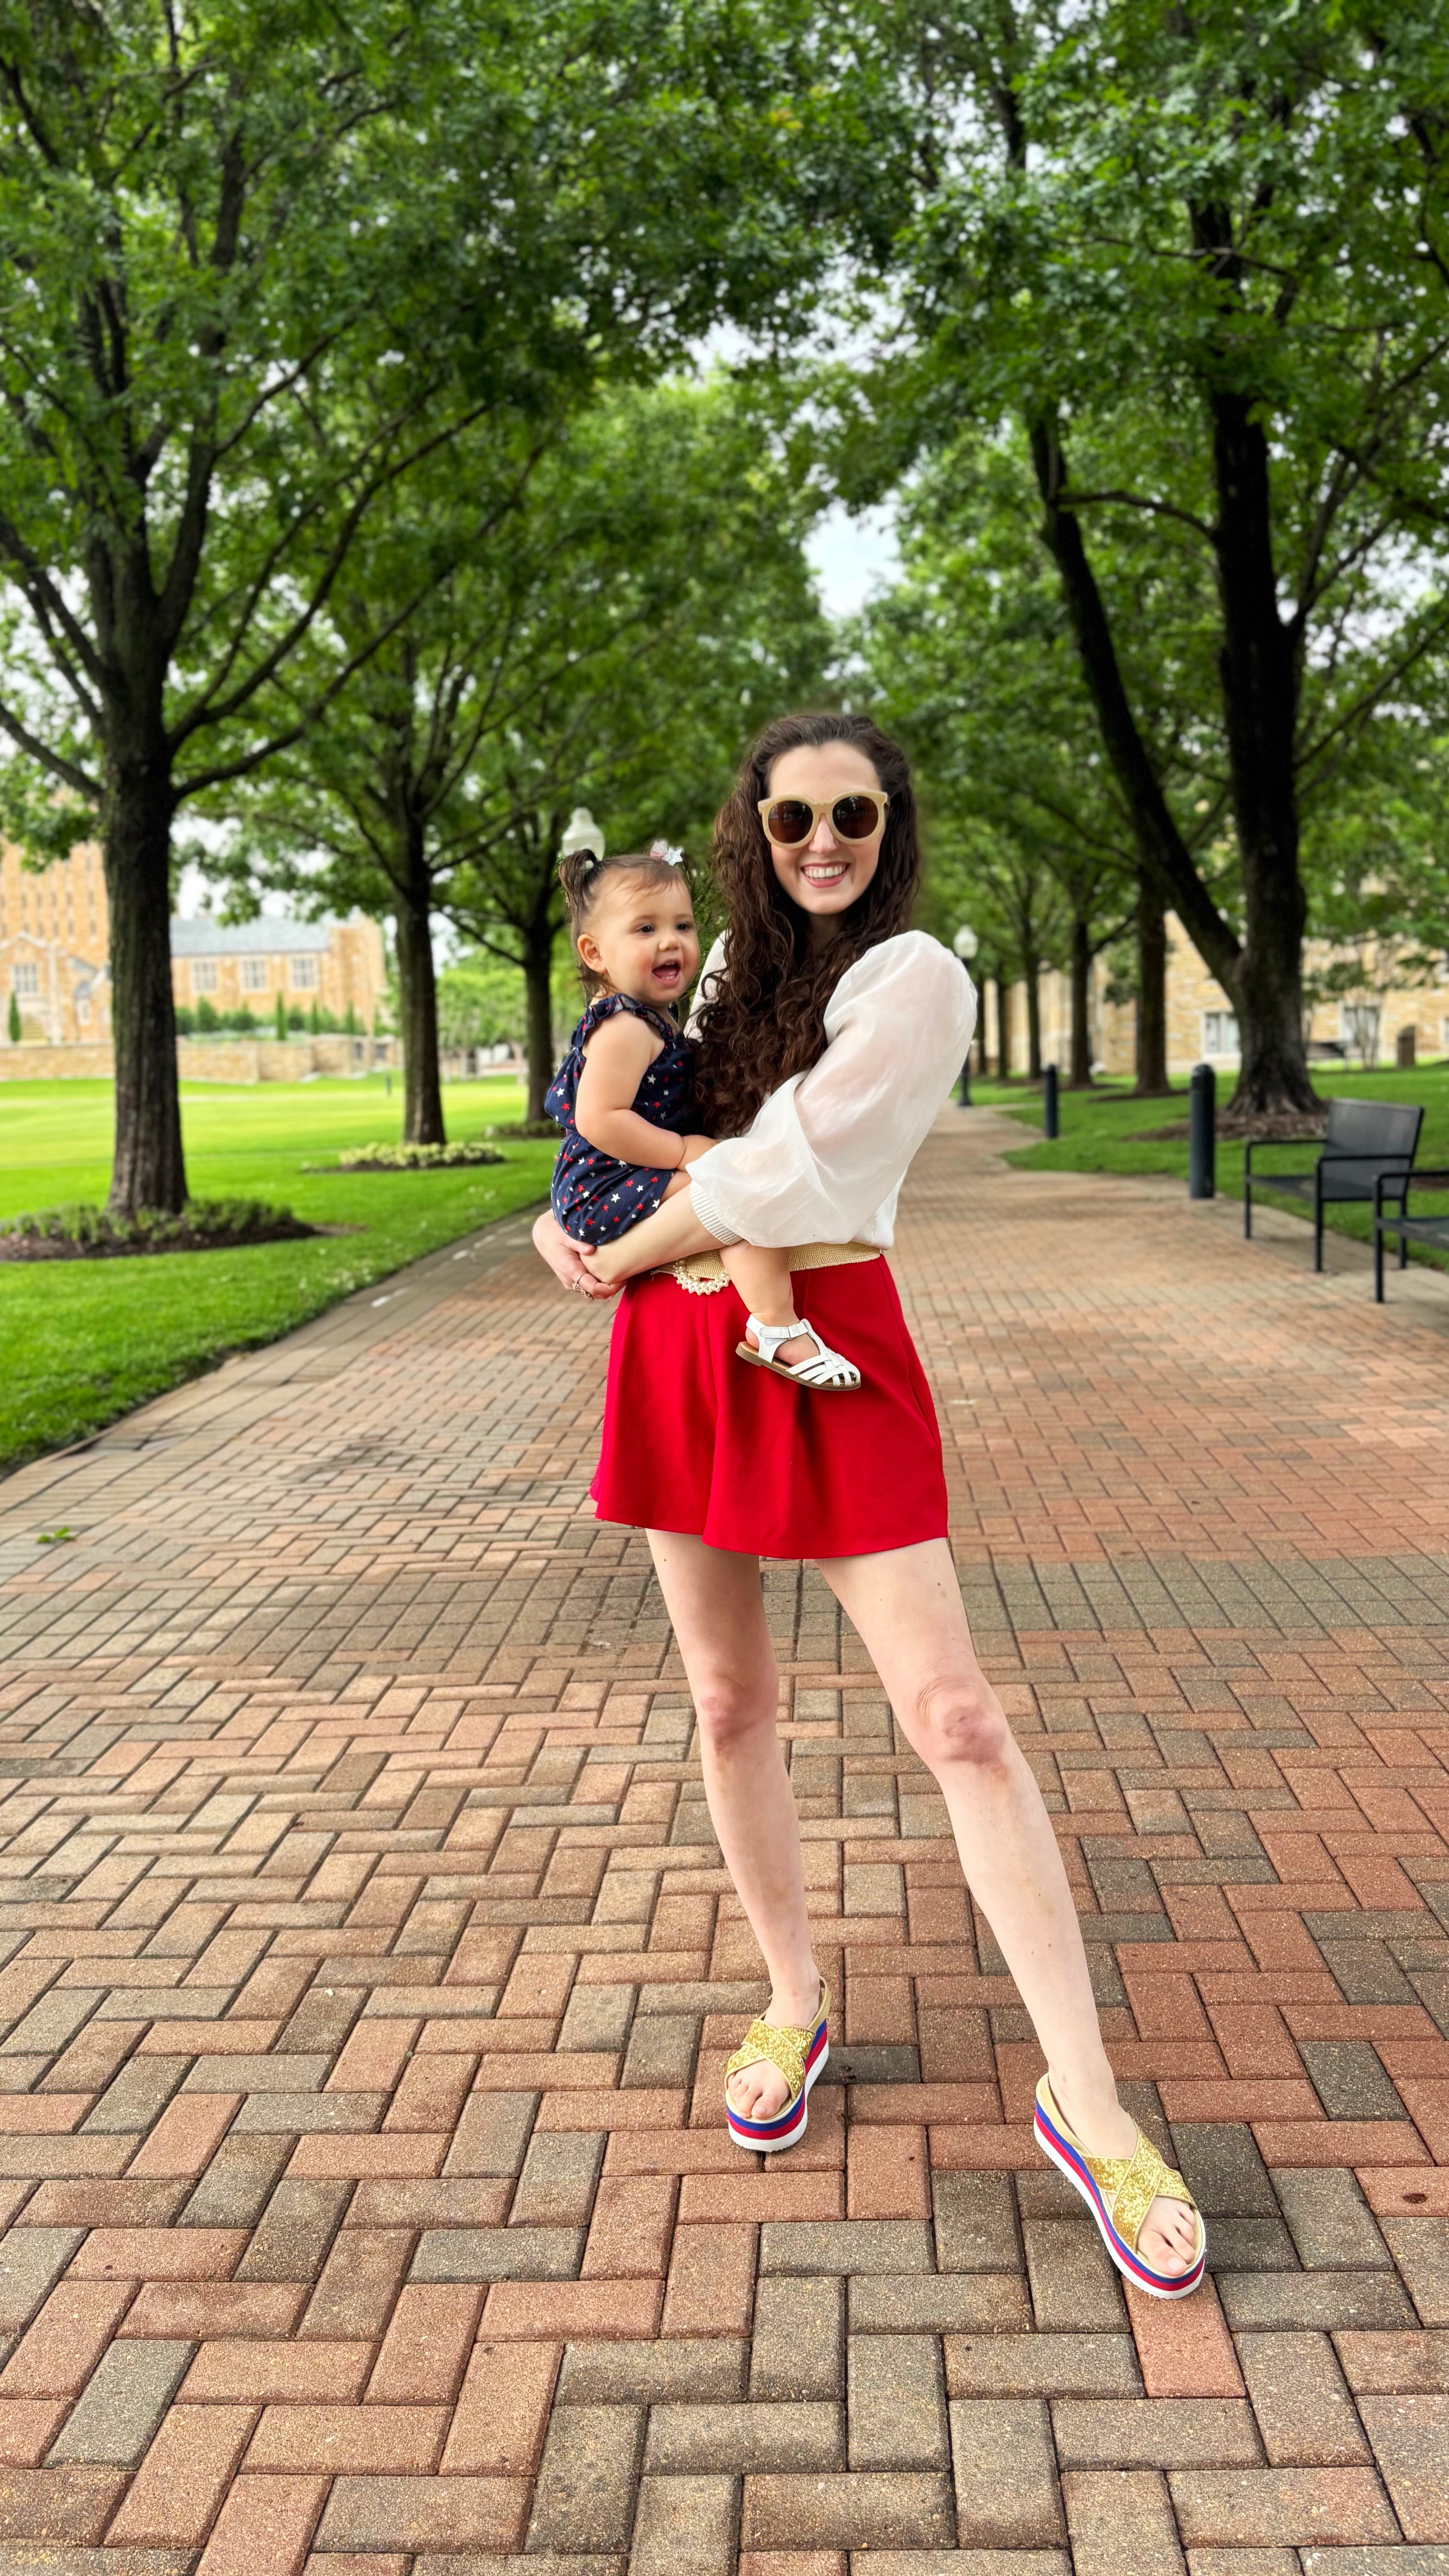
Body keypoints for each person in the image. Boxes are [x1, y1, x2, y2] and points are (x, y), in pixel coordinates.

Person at [533, 709, 1205, 2299]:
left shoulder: (917, 977)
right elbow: (627, 1124)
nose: (823, 841)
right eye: (792, 818)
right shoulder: (714, 971)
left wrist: (608, 1247)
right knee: (726, 1701)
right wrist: (558, 1225)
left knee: (956, 1716)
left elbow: (788, 1175)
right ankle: (791, 1997)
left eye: (854, 813)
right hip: (679, 1344)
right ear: (752, 831)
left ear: (890, 825)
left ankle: (1090, 2101)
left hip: (826, 1332)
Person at [546, 840, 861, 1389]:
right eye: (645, 929)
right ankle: (778, 1328)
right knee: (740, 1196)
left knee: (735, 1190)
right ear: (595, 953)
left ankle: (776, 1325)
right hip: (604, 1182)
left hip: (612, 1175)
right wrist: (683, 1153)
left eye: (683, 926)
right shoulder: (624, 1026)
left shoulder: (651, 1018)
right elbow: (599, 1120)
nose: (670, 941)